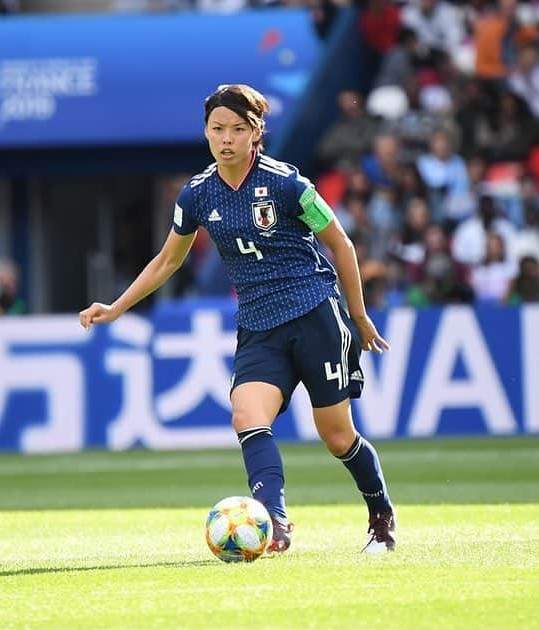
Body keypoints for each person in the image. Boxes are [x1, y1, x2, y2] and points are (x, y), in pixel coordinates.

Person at [79, 84, 397, 554]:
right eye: (217, 129)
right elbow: (168, 260)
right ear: (205, 133)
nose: (226, 138)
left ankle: (380, 513)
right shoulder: (197, 194)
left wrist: (358, 315)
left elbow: (342, 245)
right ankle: (276, 523)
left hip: (315, 315)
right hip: (258, 326)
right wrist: (117, 306)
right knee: (246, 414)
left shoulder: (289, 184)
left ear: (256, 133)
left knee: (336, 436)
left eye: (237, 129)